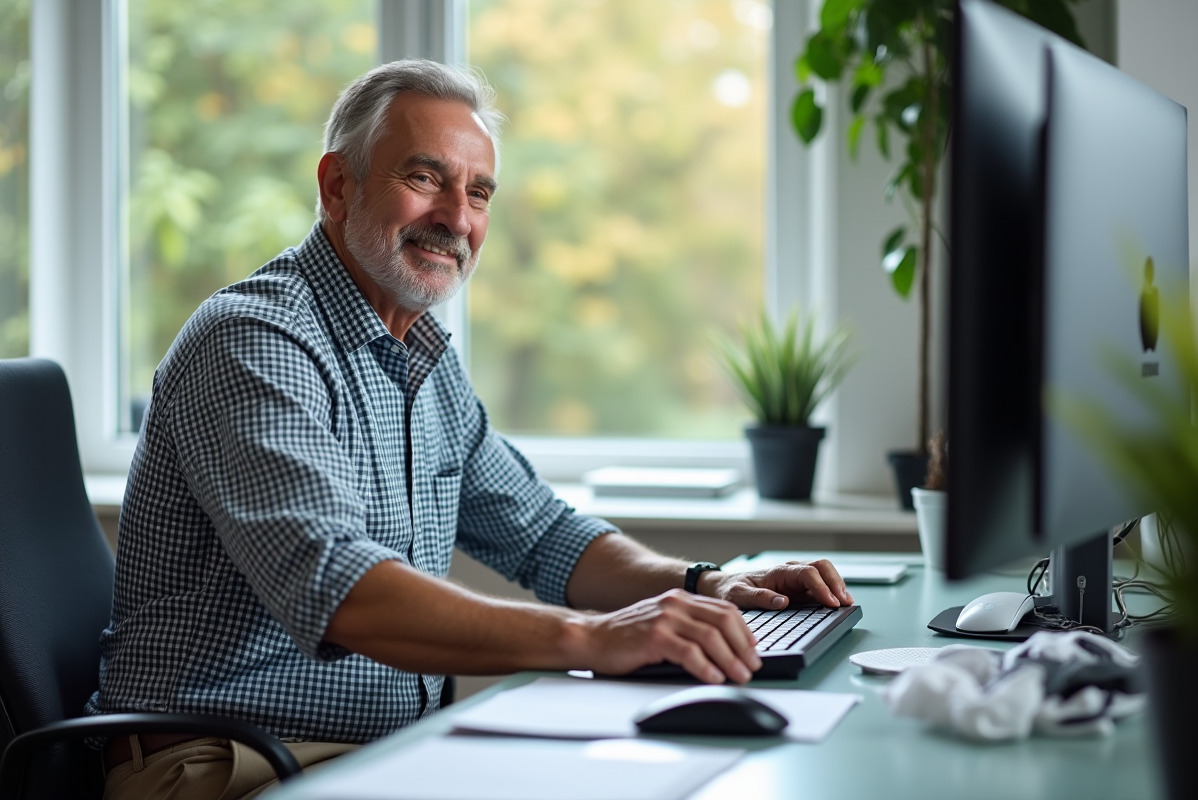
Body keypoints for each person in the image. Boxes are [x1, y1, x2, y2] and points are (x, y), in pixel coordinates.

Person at [88, 59, 855, 800]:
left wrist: (704, 583)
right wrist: (593, 639)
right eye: (425, 178)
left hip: (377, 752)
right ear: (336, 186)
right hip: (231, 766)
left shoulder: (420, 356)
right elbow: (342, 591)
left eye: (479, 192)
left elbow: (543, 535)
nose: (457, 218)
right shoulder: (255, 341)